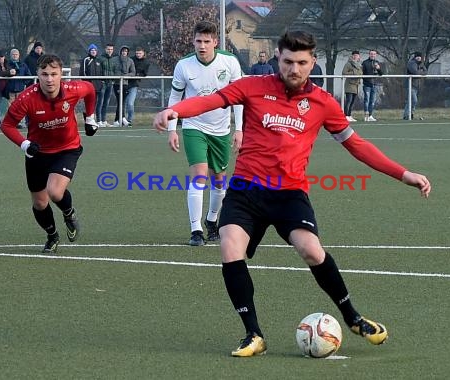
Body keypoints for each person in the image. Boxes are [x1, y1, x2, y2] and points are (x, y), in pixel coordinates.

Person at [154, 30, 431, 357]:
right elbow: (212, 100)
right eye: (288, 61)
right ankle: (253, 334)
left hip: (289, 194)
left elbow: (357, 146)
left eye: (302, 62)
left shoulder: (323, 103)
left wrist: (403, 174)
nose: (295, 69)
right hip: (245, 190)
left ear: (312, 62)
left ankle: (353, 318)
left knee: (312, 251)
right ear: (277, 58)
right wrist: (178, 111)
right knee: (230, 247)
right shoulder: (252, 86)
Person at [1, 54, 99, 253]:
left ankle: (69, 213)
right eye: (44, 74)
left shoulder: (73, 89)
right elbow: (7, 125)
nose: (49, 79)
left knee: (54, 192)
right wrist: (25, 144)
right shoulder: (27, 98)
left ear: (61, 74)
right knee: (39, 203)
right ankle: (52, 235)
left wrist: (90, 118)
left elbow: (90, 90)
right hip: (37, 154)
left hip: (67, 149)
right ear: (37, 74)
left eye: (54, 74)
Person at [166, 20, 243, 246]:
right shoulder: (184, 65)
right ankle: (196, 230)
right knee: (199, 175)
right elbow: (175, 98)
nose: (202, 45)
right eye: (198, 41)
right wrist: (172, 128)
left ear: (215, 42)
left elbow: (239, 99)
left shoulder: (230, 62)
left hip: (221, 129)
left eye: (207, 41)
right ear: (193, 41)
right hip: (193, 126)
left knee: (219, 181)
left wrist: (239, 129)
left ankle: (212, 221)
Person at [6, 48, 32, 128]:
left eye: (16, 54)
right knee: (11, 107)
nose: (15, 56)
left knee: (20, 107)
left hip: (20, 89)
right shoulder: (7, 65)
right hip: (10, 90)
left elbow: (29, 76)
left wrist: (24, 83)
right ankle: (11, 122)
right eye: (13, 54)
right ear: (10, 56)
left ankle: (20, 122)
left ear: (19, 55)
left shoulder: (23, 65)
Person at [112, 45, 135, 127]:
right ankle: (121, 118)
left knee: (123, 101)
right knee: (119, 101)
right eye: (123, 51)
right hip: (117, 84)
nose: (124, 52)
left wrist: (126, 76)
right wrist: (118, 76)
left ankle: (119, 119)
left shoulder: (130, 61)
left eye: (126, 51)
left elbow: (133, 73)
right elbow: (112, 70)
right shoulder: (114, 60)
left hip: (125, 84)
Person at [79, 44, 104, 119]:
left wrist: (101, 82)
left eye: (95, 50)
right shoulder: (86, 59)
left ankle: (93, 119)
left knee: (95, 103)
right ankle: (87, 118)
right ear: (89, 51)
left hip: (97, 86)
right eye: (92, 50)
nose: (93, 52)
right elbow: (82, 73)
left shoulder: (99, 60)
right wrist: (87, 83)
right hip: (88, 86)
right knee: (88, 102)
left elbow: (101, 73)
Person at [127, 47, 150, 127]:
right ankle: (121, 120)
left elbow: (144, 74)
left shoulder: (146, 62)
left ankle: (129, 120)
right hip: (124, 83)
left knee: (130, 103)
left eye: (140, 53)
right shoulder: (130, 59)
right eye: (137, 53)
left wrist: (137, 75)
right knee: (122, 103)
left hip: (134, 84)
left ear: (143, 53)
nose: (138, 55)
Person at [403, 52, 427, 120]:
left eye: (420, 57)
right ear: (415, 57)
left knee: (410, 101)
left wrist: (420, 72)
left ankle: (408, 115)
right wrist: (421, 72)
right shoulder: (411, 63)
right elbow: (415, 72)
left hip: (416, 85)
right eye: (417, 56)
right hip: (410, 85)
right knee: (414, 100)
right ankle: (408, 114)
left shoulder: (421, 64)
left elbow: (426, 71)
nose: (419, 58)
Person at [98, 43, 117, 127]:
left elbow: (115, 70)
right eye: (108, 49)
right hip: (103, 83)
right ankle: (99, 121)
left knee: (106, 102)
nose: (110, 51)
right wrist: (101, 80)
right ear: (105, 49)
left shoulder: (114, 59)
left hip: (110, 83)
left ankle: (104, 120)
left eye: (111, 49)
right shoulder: (100, 58)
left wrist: (113, 80)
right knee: (100, 102)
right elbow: (98, 70)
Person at [361, 49, 383, 122]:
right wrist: (365, 80)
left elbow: (381, 73)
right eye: (371, 54)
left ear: (376, 55)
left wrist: (378, 68)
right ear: (369, 54)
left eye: (374, 54)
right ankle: (366, 116)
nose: (372, 55)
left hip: (375, 84)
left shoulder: (377, 62)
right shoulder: (365, 63)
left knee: (372, 101)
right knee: (366, 100)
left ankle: (370, 115)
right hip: (367, 84)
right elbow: (362, 73)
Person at [342, 50, 363, 122]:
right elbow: (344, 73)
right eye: (354, 55)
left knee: (353, 102)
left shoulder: (359, 65)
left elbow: (360, 73)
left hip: (356, 85)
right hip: (349, 84)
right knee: (349, 101)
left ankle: (349, 115)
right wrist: (354, 73)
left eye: (357, 55)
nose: (355, 57)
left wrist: (358, 74)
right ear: (352, 56)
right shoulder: (348, 64)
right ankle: (346, 115)